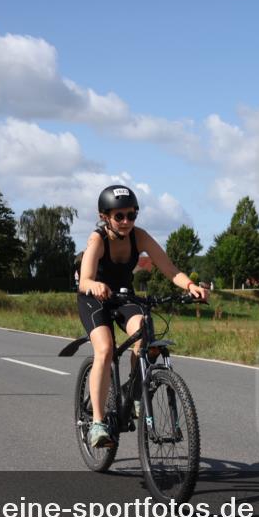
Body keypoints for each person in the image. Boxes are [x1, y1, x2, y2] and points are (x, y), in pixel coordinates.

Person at [78, 184, 208, 447]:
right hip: (95, 299)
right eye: (119, 216)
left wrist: (191, 286)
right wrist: (95, 285)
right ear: (104, 216)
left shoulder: (141, 237)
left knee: (144, 331)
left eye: (132, 215)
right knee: (104, 350)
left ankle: (136, 393)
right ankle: (98, 424)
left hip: (124, 297)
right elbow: (85, 281)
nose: (126, 221)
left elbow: (171, 270)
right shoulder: (97, 240)